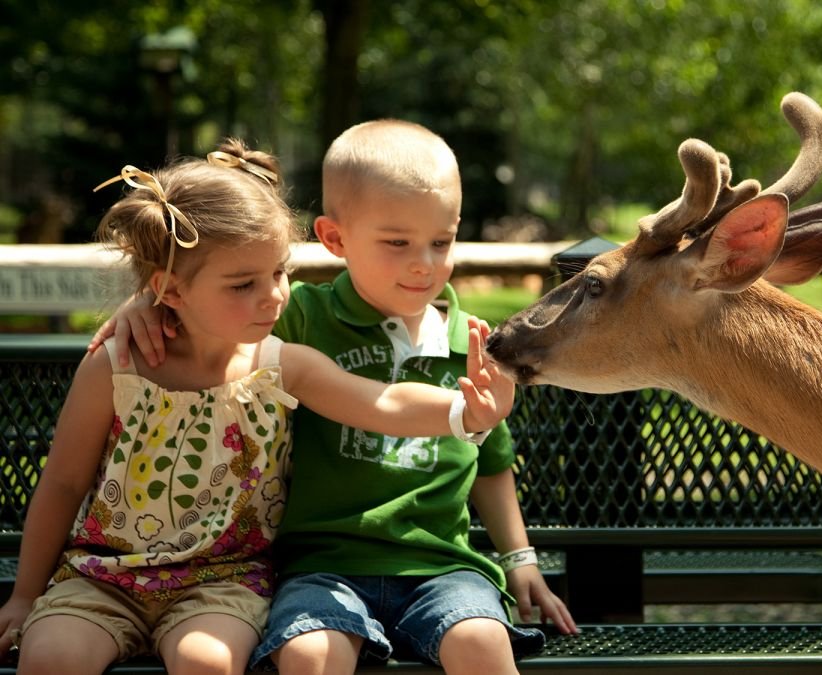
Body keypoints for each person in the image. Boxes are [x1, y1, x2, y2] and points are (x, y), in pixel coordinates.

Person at [0, 140, 513, 675]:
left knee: (209, 663)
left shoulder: (280, 362)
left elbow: (380, 402)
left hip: (224, 580)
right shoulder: (116, 366)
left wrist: (463, 413)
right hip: (103, 575)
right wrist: (23, 596)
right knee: (51, 657)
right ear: (169, 292)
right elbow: (61, 482)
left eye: (279, 272)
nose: (272, 296)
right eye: (244, 284)